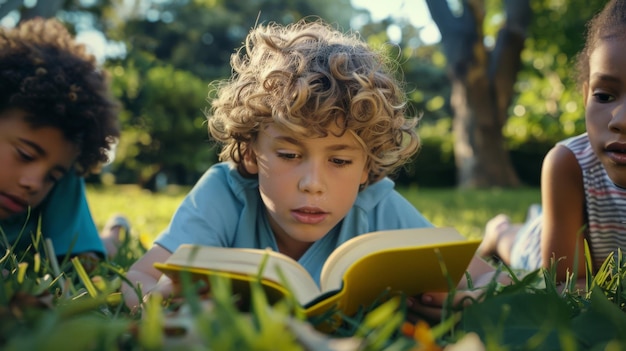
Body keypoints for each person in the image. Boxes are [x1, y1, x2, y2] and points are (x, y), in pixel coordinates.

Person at [121, 19, 498, 312]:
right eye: (289, 155)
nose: (313, 184)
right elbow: (138, 277)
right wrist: (154, 304)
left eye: (339, 160)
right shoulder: (224, 193)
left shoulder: (376, 204)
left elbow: (486, 279)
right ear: (252, 152)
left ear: (365, 168)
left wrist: (468, 302)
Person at [478, 0, 626, 284]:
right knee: (517, 245)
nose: (620, 120)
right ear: (585, 97)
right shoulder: (569, 164)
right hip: (553, 244)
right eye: (604, 96)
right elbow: (564, 288)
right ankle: (499, 231)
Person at [0, 18, 123, 265]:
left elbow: (82, 261)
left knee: (104, 248)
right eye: (25, 154)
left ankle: (116, 232)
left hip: (51, 240)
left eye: (52, 177)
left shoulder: (62, 180)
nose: (34, 184)